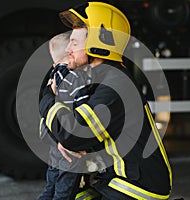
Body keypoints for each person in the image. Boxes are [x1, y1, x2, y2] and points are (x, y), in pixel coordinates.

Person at [41, 2, 173, 199]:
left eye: (75, 43)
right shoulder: (95, 79)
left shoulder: (115, 86)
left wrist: (46, 97)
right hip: (113, 179)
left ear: (99, 45)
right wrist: (61, 140)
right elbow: (62, 131)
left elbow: (73, 134)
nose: (68, 48)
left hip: (137, 187)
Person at [38, 32, 93, 200]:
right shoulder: (74, 76)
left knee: (51, 184)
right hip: (70, 147)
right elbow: (85, 105)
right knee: (65, 190)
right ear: (70, 56)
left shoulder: (53, 76)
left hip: (54, 140)